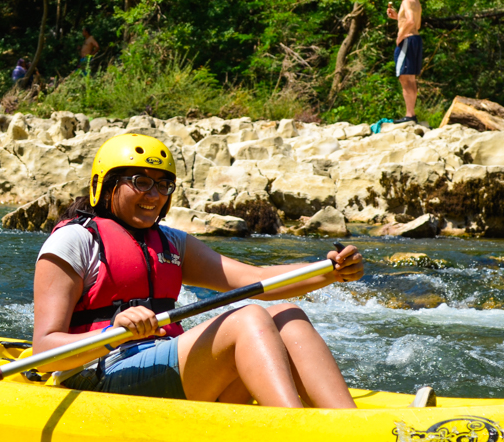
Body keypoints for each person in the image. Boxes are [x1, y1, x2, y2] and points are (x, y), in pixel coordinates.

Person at [32, 133, 363, 408]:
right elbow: (44, 353)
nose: (154, 195)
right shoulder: (74, 241)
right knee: (248, 319)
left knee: (287, 316)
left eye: (164, 185)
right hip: (98, 375)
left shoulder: (174, 244)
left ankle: (349, 430)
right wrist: (110, 333)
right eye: (141, 182)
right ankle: (295, 436)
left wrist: (331, 272)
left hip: (160, 363)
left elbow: (255, 280)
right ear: (104, 185)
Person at [386, 0, 423, 123]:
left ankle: (409, 115)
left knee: (404, 78)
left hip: (407, 41)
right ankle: (411, 114)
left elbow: (411, 21)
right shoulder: (414, 1)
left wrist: (400, 35)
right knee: (410, 78)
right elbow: (416, 24)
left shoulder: (406, 2)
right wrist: (397, 17)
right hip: (416, 39)